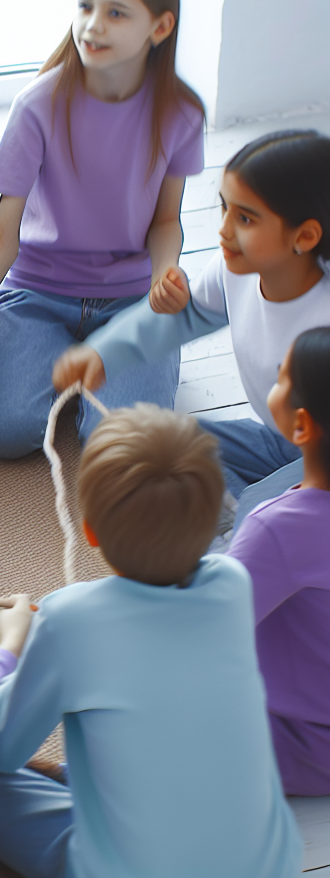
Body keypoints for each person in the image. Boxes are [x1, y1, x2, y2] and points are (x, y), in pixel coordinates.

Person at [0, 404, 302, 878]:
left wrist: (7, 651)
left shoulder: (68, 622)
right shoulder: (234, 582)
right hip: (264, 862)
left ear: (89, 530)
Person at [0, 0, 205, 455]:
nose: (92, 24)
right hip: (38, 294)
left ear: (160, 27)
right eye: (85, 6)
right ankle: (61, 359)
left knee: (118, 443)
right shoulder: (36, 106)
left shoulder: (181, 114)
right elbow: (0, 239)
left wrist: (164, 274)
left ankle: (123, 369)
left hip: (130, 301)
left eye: (115, 12)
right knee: (4, 434)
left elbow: (167, 220)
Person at [55, 130, 330, 530]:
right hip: (281, 441)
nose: (224, 230)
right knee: (158, 445)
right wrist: (101, 353)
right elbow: (181, 319)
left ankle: (234, 553)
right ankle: (226, 533)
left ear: (304, 237)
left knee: (257, 515)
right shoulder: (234, 274)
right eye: (224, 209)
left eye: (246, 218)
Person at [228, 327, 330, 796]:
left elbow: (202, 626)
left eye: (282, 377)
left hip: (305, 746)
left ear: (302, 426)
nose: (275, 379)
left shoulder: (277, 529)